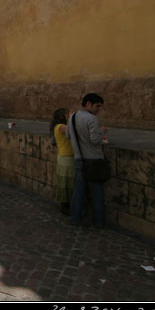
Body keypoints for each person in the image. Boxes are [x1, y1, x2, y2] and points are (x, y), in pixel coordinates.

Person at [66, 93, 108, 228]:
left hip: (79, 159)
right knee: (97, 193)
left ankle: (75, 217)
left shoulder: (72, 118)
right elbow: (95, 139)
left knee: (78, 190)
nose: (98, 109)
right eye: (97, 106)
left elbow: (67, 135)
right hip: (94, 160)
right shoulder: (92, 119)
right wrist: (102, 131)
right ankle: (99, 221)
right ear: (89, 104)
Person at [51, 108, 74, 215]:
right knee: (67, 183)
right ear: (64, 116)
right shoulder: (61, 127)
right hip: (66, 158)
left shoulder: (58, 126)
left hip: (66, 157)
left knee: (67, 183)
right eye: (68, 113)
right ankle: (66, 206)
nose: (70, 114)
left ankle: (67, 205)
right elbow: (73, 129)